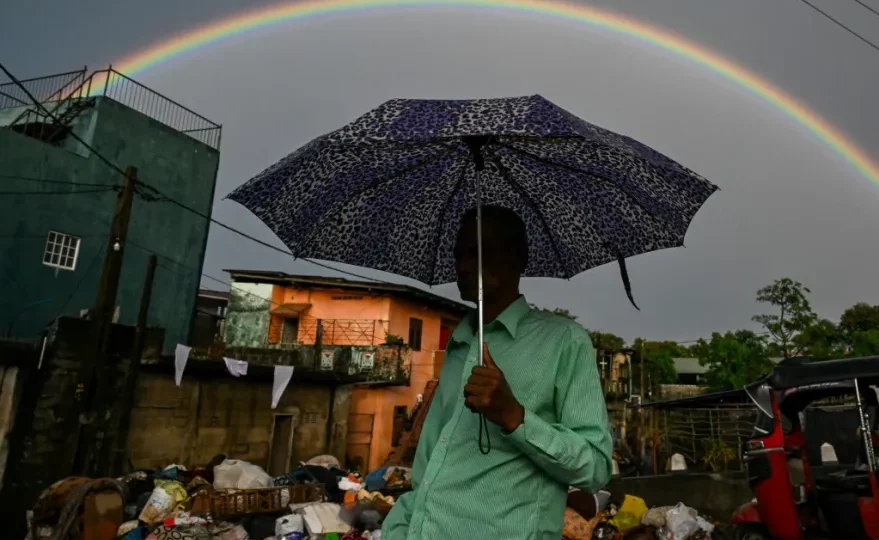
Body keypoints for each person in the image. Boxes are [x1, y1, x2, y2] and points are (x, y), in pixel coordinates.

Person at [382, 205, 613, 539]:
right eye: (458, 255)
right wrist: (398, 530)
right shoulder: (460, 342)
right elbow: (428, 470)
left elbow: (596, 467)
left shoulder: (563, 341)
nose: (462, 267)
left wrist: (514, 416)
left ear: (518, 258)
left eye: (479, 253)